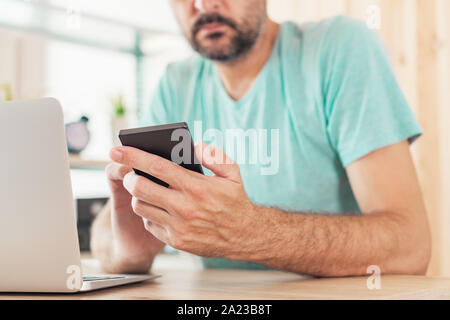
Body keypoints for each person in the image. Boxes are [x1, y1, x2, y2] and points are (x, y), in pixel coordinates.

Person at [91, 0, 431, 276]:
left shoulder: (340, 48)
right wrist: (129, 251)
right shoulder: (174, 84)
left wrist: (250, 233)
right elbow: (106, 238)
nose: (203, 4)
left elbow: (409, 245)